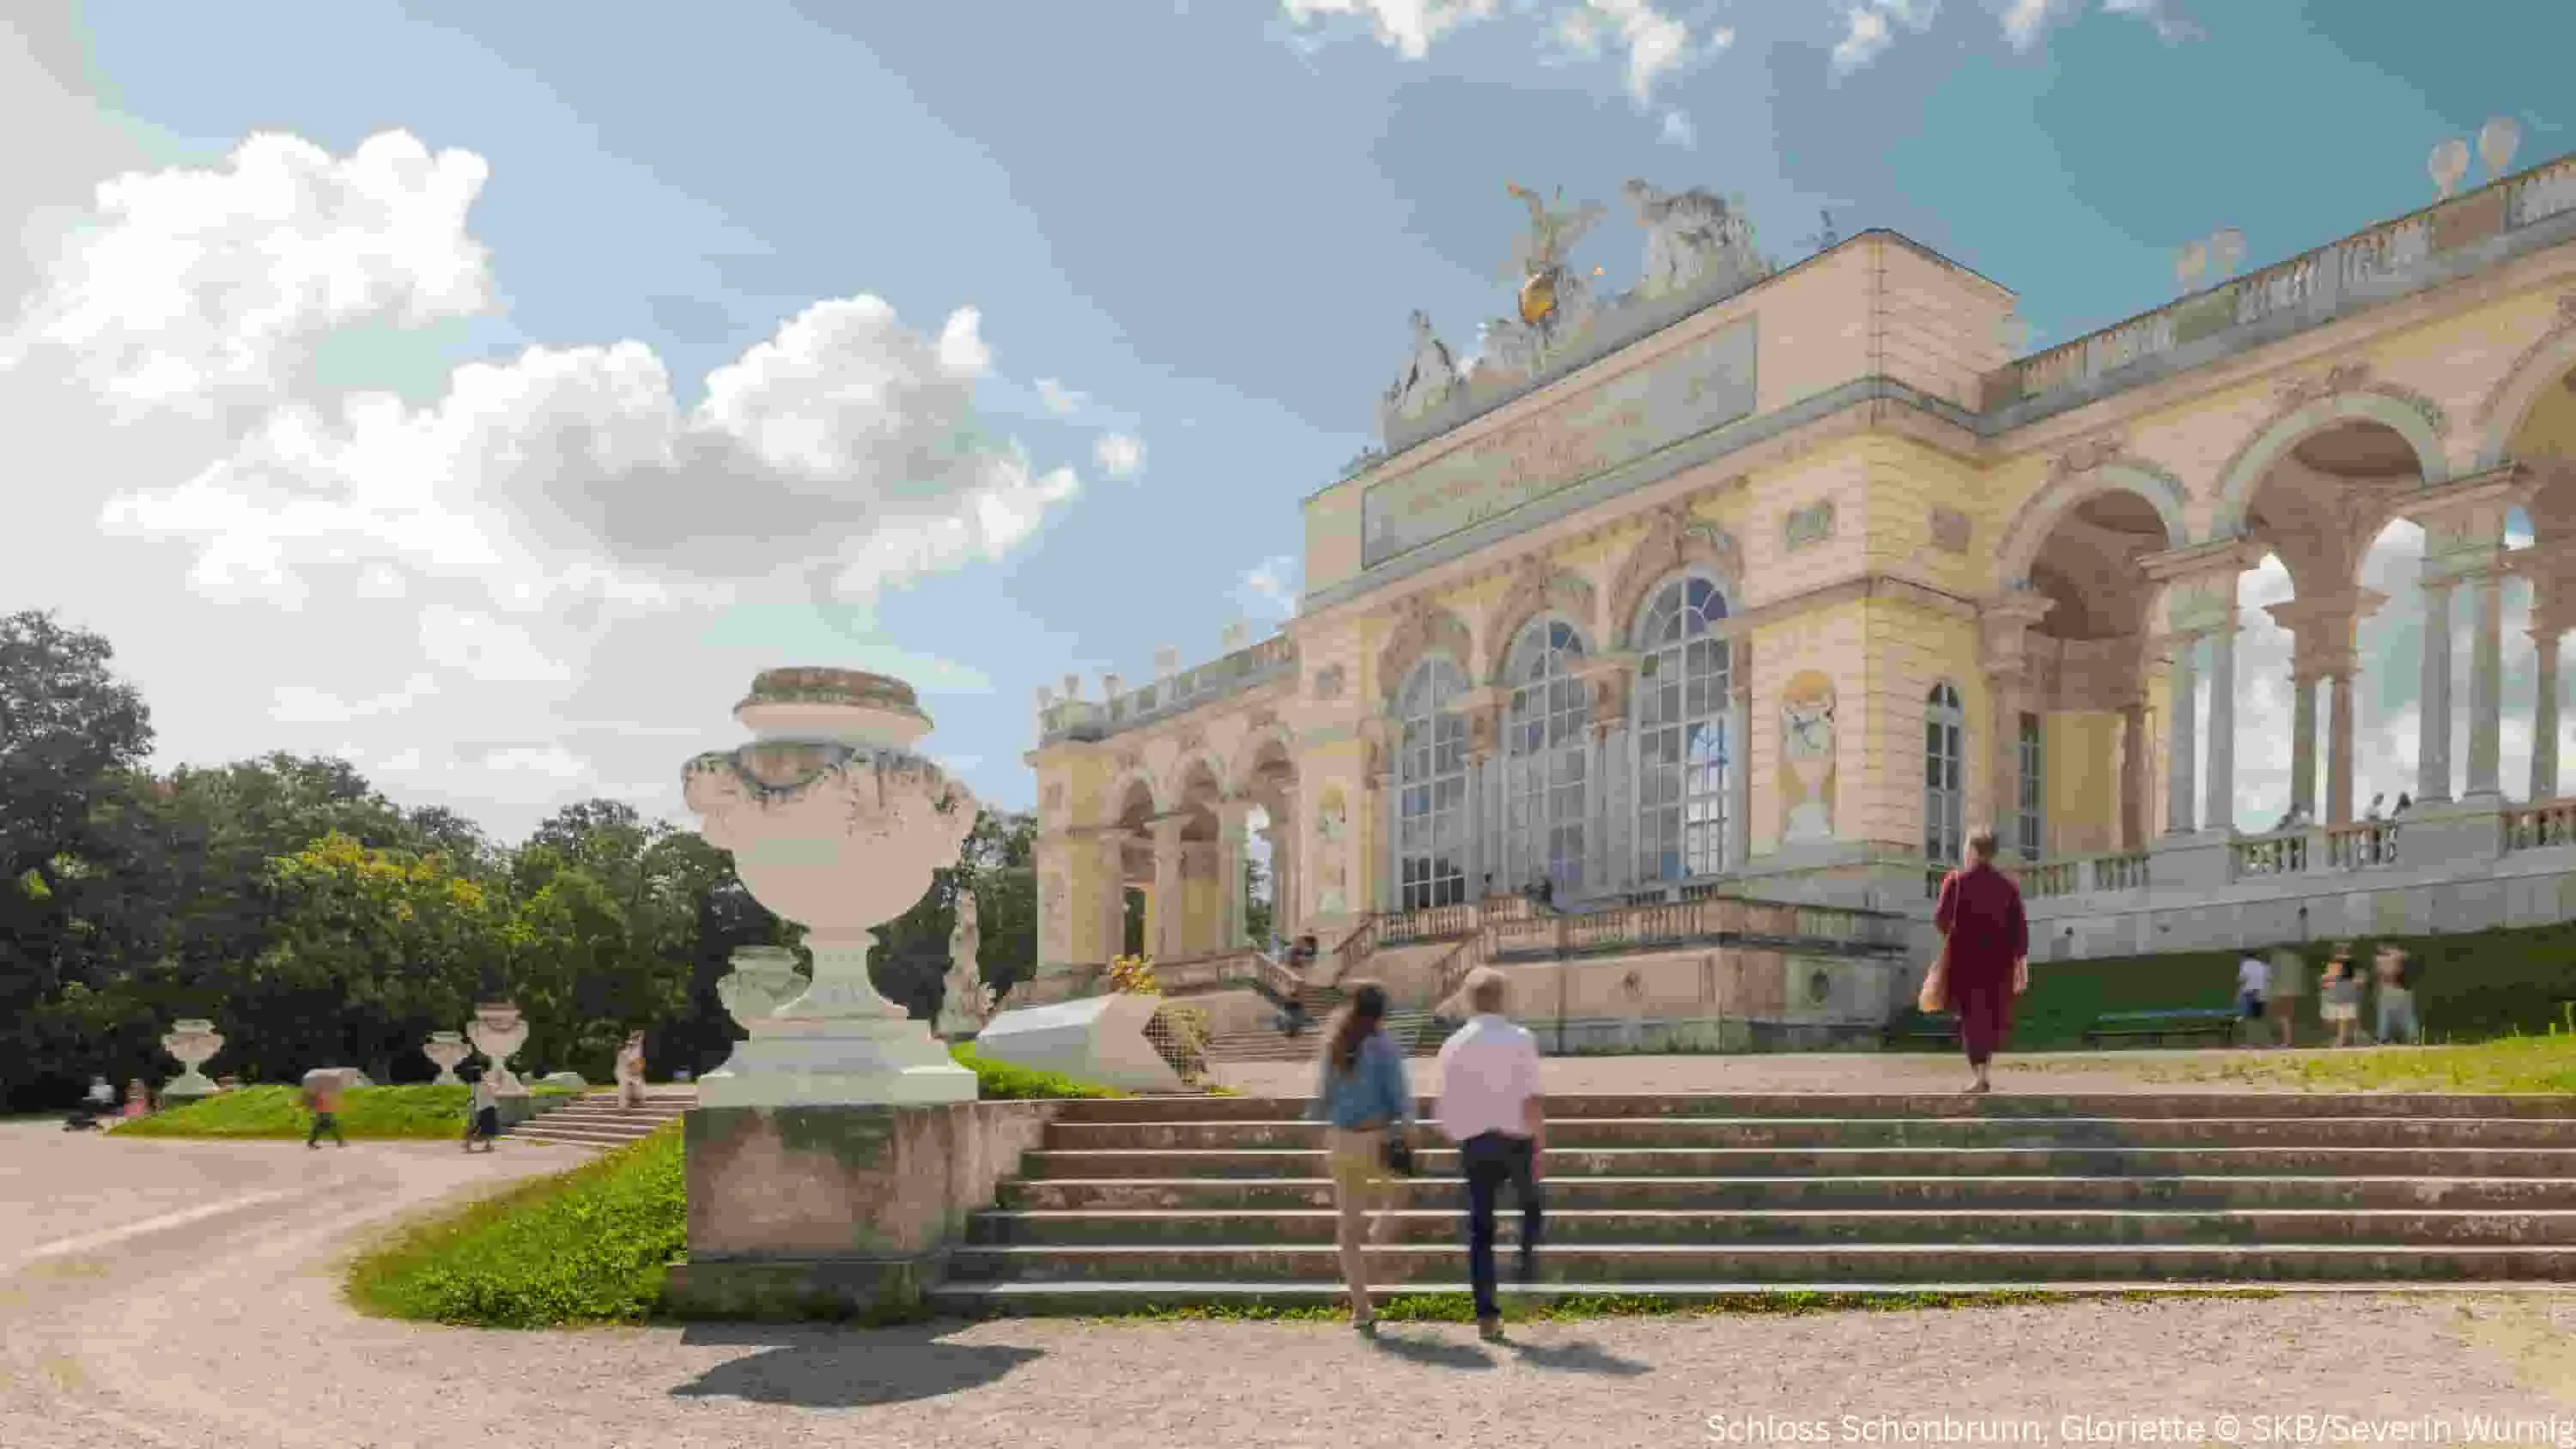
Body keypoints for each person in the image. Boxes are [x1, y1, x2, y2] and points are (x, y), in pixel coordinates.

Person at [1436, 966, 1546, 1343]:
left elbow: (1446, 1105)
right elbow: (1532, 1099)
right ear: (1503, 999)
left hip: (1476, 1143)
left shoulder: (1453, 1044)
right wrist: (1538, 1146)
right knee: (1531, 1207)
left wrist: (1459, 1135)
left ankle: (1487, 1315)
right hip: (1516, 1140)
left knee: (1480, 1231)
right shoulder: (1521, 1038)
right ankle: (1525, 1264)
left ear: (1468, 1000)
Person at [1306, 980, 1413, 1334]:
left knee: (1347, 1227)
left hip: (1340, 1141)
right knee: (1397, 1196)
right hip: (1377, 1139)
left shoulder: (1335, 1042)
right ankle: (1378, 1237)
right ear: (1382, 1013)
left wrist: (1316, 1136)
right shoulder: (1384, 1046)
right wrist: (1409, 1129)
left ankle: (1361, 1308)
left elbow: (1321, 1099)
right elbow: (1399, 1097)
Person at [1931, 828, 2029, 1094]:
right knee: (1990, 1017)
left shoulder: (1956, 881)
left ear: (1973, 851)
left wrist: (1955, 935)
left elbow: (1941, 918)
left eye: (1966, 847)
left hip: (1966, 961)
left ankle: (1979, 1075)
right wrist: (2022, 967)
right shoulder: (2008, 887)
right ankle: (1984, 1072)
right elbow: (2019, 929)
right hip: (1999, 964)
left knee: (1971, 1018)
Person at [2375, 944, 2421, 1044]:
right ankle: (2412, 1037)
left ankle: (2384, 1037)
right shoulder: (2399, 956)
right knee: (2405, 1016)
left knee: (2388, 1015)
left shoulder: (2387, 958)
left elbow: (2387, 974)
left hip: (2395, 990)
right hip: (2401, 990)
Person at [2267, 943, 2307, 1048]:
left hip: (2281, 991)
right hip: (2292, 991)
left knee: (2283, 1017)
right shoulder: (2297, 958)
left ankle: (2286, 1042)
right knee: (2286, 1017)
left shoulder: (2277, 958)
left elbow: (2272, 976)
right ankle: (2286, 1041)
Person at [2318, 955, 2361, 1048]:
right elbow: (2325, 981)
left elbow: (2356, 984)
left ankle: (2342, 1040)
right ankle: (2343, 1039)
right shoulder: (2332, 974)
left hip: (2344, 1002)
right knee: (2335, 1021)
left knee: (2344, 1019)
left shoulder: (2350, 979)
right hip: (2336, 1001)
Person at [304, 1070, 348, 1149]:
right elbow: (312, 1101)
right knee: (331, 1125)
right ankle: (340, 1142)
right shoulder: (316, 1090)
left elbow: (328, 1099)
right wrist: (310, 1107)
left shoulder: (326, 1089)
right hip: (322, 1112)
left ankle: (311, 1143)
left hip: (326, 1111)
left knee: (319, 1128)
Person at [2235, 952, 2269, 1046]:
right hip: (2262, 993)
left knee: (2250, 1019)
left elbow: (2241, 979)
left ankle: (2250, 1043)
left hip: (2250, 993)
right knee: (2259, 1018)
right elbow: (2269, 978)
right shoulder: (2263, 965)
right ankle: (2264, 1041)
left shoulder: (2245, 964)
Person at [463, 1067, 501, 1151]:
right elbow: (496, 1088)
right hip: (488, 1107)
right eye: (481, 1072)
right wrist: (490, 1080)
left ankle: (487, 1145)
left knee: (483, 1127)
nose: (483, 1074)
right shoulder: (484, 1084)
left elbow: (473, 1096)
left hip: (480, 1108)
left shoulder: (473, 1085)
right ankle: (469, 1143)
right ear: (479, 1074)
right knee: (485, 1128)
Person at [616, 1032, 647, 1109]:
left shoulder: (628, 1052)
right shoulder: (625, 1053)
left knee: (636, 1084)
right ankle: (627, 1104)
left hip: (628, 1073)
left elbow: (634, 1063)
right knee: (629, 1086)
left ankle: (635, 1101)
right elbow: (632, 1063)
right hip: (626, 1073)